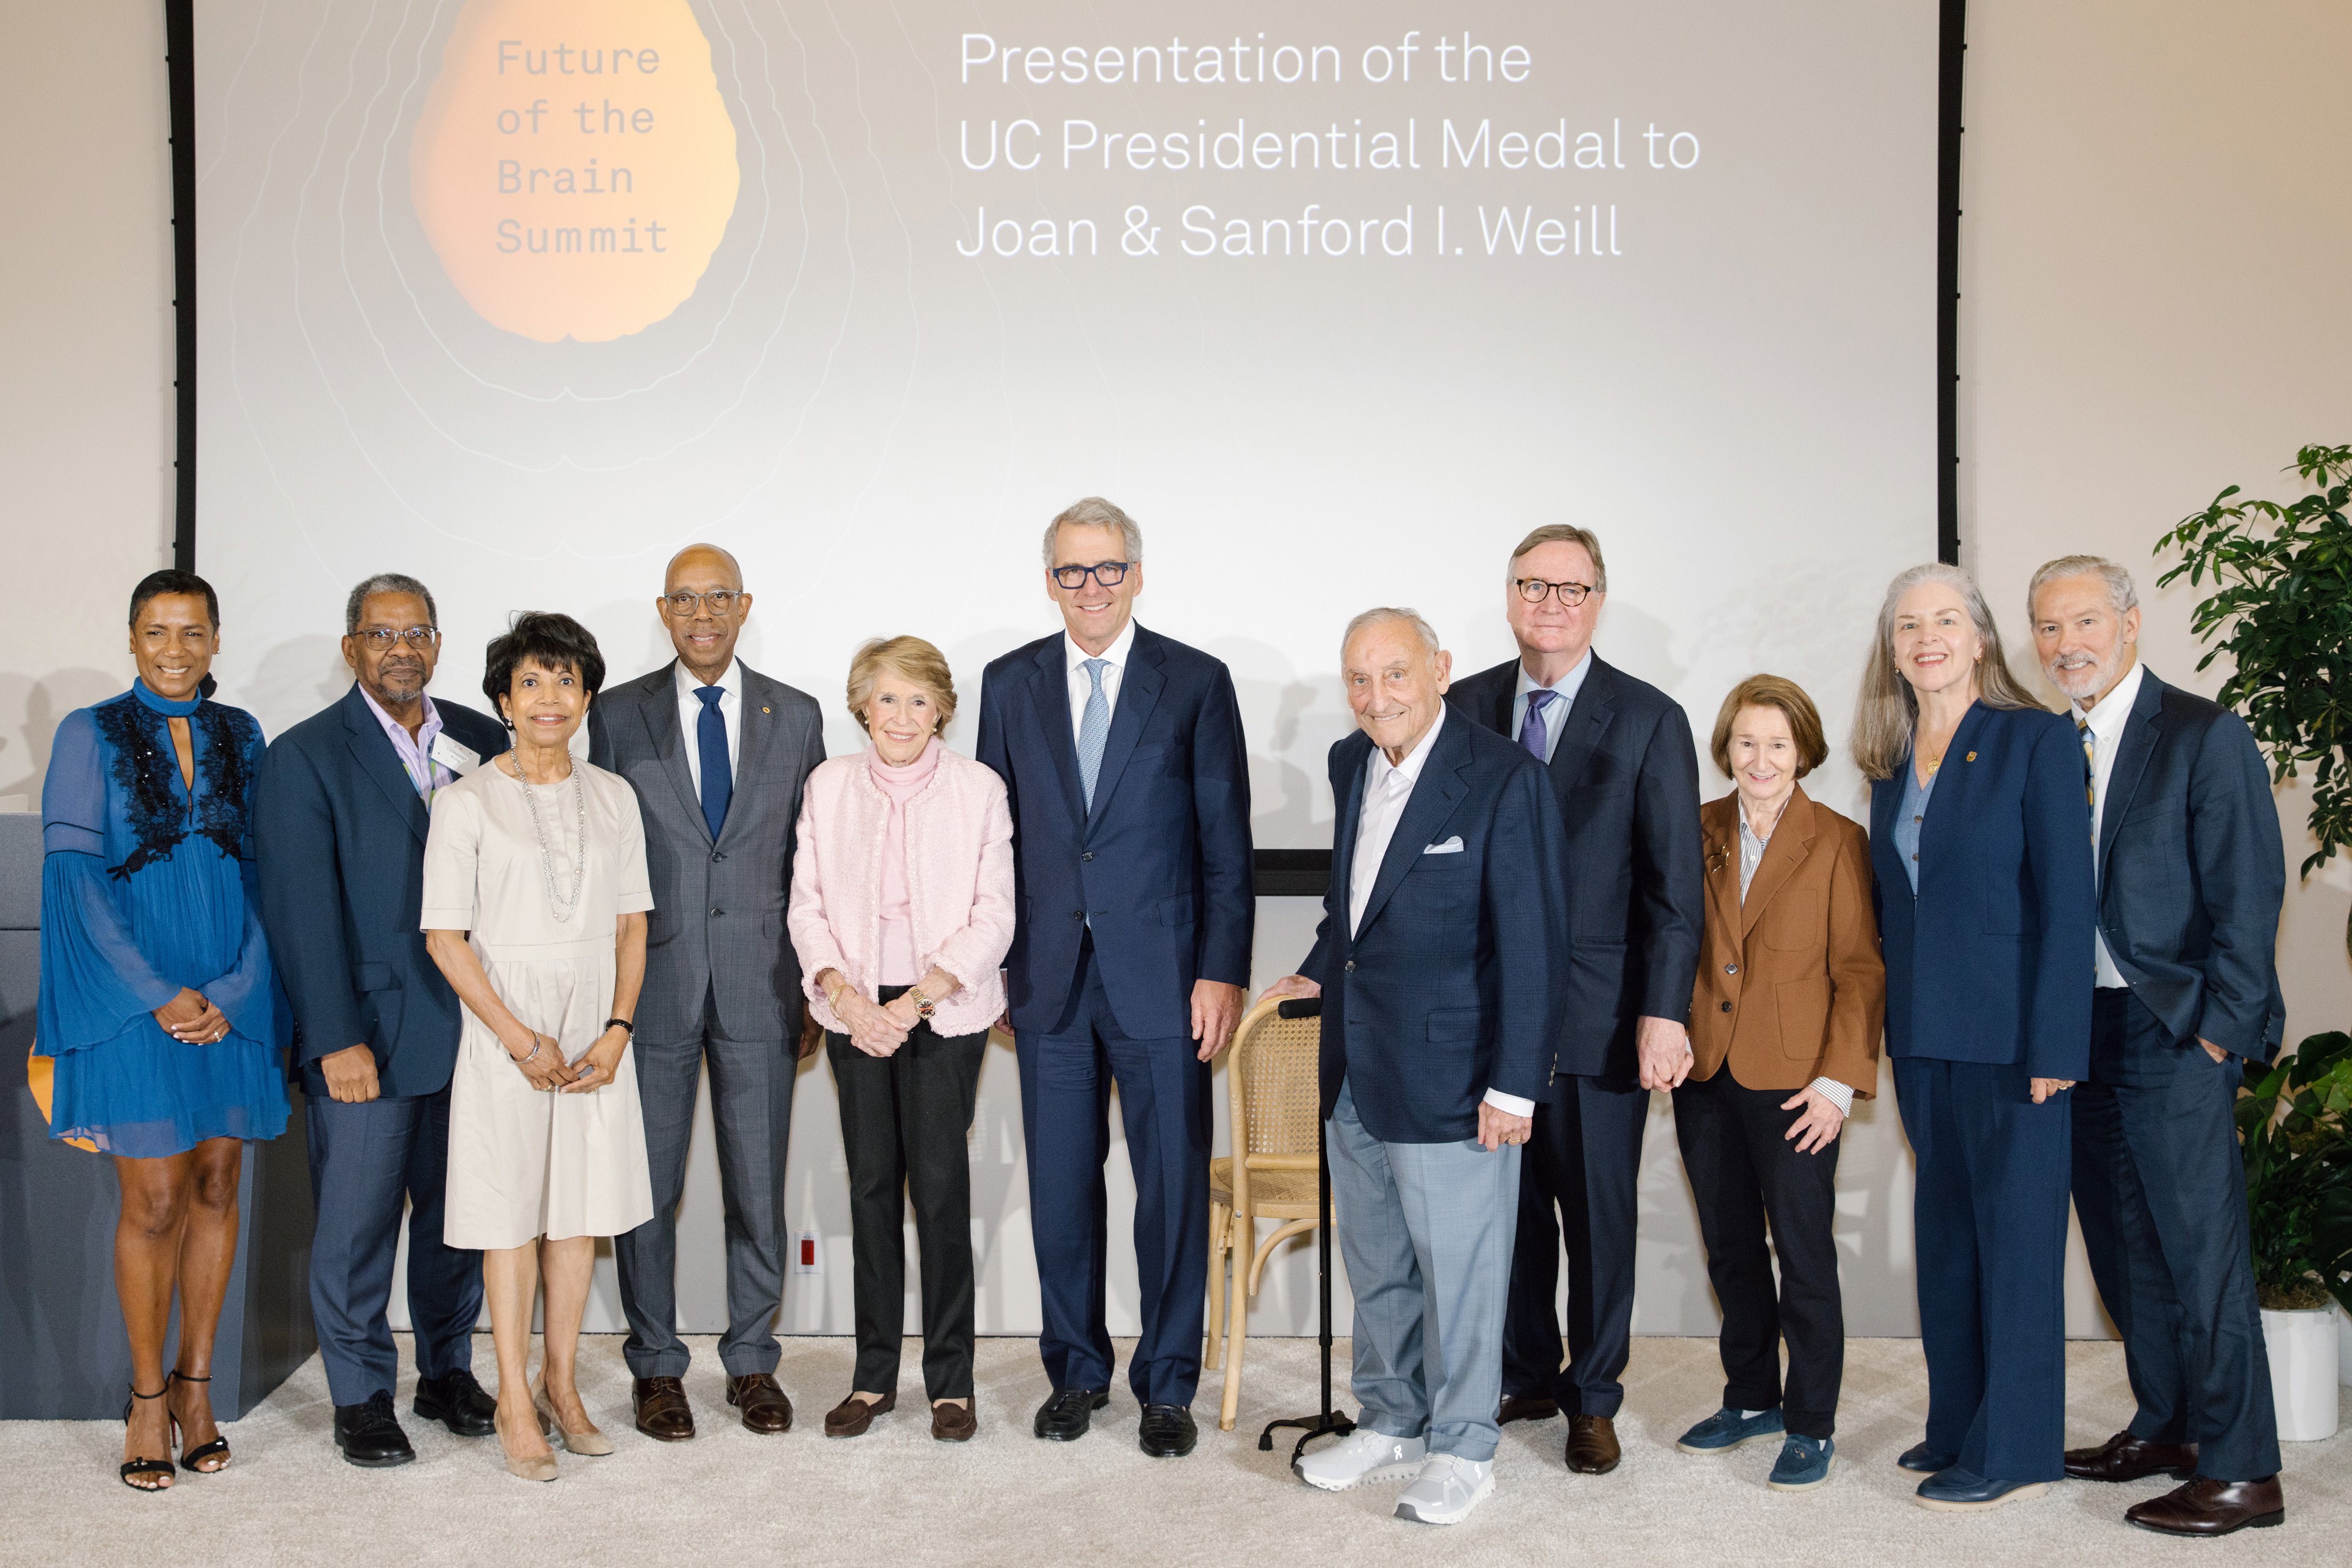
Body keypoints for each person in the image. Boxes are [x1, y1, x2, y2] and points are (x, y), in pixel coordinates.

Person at [1260, 608, 1569, 1526]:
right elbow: (1356, 914)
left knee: (1464, 1277)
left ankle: (1465, 1446)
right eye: (1359, 679)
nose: (1376, 696)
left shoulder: (1506, 780)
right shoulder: (1352, 763)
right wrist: (1313, 974)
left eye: (1395, 674)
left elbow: (1535, 944)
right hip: (1357, 1065)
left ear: (1439, 669)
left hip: (1458, 1078)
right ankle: (1394, 1417)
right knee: (1380, 1263)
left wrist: (1515, 1085)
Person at [974, 496, 1253, 1458]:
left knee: (1172, 1187)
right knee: (1060, 1187)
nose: (1088, 589)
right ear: (1047, 580)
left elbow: (1226, 844)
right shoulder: (1007, 683)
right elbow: (991, 844)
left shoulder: (1196, 682)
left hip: (1166, 979)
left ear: (1135, 573)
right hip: (1048, 981)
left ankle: (1168, 1381)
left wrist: (1222, 971)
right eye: (1068, 572)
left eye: (1104, 570)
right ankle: (1077, 1370)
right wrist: (998, 965)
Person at [2030, 556, 2287, 1536]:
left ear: (2131, 625)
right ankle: (2169, 1425)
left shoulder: (2202, 735)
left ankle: (2242, 1471)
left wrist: (2224, 1032)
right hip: (2081, 1030)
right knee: (2125, 1245)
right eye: (2049, 629)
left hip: (2175, 1028)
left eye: (2086, 622)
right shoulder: (2053, 746)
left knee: (2200, 1253)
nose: (2068, 646)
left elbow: (2250, 891)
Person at [1444, 523, 1704, 1476]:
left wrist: (1664, 1011)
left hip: (1601, 1018)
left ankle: (1594, 1398)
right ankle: (1529, 1371)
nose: (1550, 604)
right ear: (1509, 596)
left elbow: (1677, 891)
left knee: (1597, 1221)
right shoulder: (1461, 706)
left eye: (1571, 589)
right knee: (1505, 1215)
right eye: (1533, 586)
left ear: (1599, 601)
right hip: (1481, 1017)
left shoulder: (1649, 718)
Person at [38, 570, 290, 1490]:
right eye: (158, 632)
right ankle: (147, 1399)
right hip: (133, 1002)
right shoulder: (87, 732)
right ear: (133, 639)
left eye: (193, 633)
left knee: (220, 1185)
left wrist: (236, 985)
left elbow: (270, 872)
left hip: (234, 993)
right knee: (153, 1202)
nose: (176, 650)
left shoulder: (244, 734)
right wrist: (160, 993)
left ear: (216, 640)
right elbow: (74, 877)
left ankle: (196, 1390)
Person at [255, 573, 509, 1467]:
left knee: (459, 1220)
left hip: (477, 1033)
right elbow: (299, 909)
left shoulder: (486, 740)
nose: (401, 648)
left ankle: (445, 1371)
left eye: (418, 632)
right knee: (357, 1228)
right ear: (351, 647)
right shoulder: (304, 755)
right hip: (367, 1036)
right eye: (380, 633)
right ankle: (362, 1396)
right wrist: (333, 1038)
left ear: (438, 643)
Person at [1856, 561, 2094, 1512]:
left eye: (1946, 620)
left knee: (2018, 1243)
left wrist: (2056, 1050)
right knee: (1948, 1236)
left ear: (1982, 637)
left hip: (2013, 1042)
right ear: (1894, 647)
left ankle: (2018, 1446)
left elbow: (2070, 909)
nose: (1928, 638)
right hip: (1923, 1035)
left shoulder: (2033, 739)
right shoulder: (1893, 755)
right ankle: (1957, 1424)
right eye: (1909, 624)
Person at [589, 544, 826, 1442]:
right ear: (662, 609)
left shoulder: (796, 715)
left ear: (744, 605)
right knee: (645, 1187)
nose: (702, 614)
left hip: (765, 984)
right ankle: (655, 1367)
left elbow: (817, 861)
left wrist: (812, 984)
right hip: (649, 988)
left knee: (757, 1187)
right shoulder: (613, 714)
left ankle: (754, 1362)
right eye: (685, 599)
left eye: (718, 597)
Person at [422, 612, 656, 1482]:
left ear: (587, 696)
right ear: (502, 701)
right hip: (504, 1032)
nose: (549, 697)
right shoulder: (466, 801)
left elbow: (633, 924)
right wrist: (521, 1040)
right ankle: (514, 1398)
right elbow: (446, 939)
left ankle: (563, 1386)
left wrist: (619, 1029)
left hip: (597, 1032)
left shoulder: (615, 795)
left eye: (566, 681)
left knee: (576, 1215)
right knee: (510, 1218)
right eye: (531, 682)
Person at [787, 637, 1015, 1444]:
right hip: (855, 1010)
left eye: (919, 701)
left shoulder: (979, 790)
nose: (902, 717)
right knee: (872, 1191)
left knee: (942, 1192)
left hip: (942, 1009)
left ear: (943, 709)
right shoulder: (829, 785)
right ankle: (872, 1377)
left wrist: (913, 1001)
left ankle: (951, 1382)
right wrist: (849, 999)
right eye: (887, 700)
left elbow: (995, 916)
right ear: (861, 707)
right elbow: (806, 906)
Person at [1671, 676, 1883, 1492]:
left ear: (1804, 752)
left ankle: (1812, 1420)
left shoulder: (1837, 841)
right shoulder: (1695, 830)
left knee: (1802, 1256)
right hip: (1705, 1071)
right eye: (1746, 743)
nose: (1760, 759)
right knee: (1728, 1250)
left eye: (1778, 744)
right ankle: (1751, 1397)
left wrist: (1837, 1083)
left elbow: (1861, 973)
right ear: (1727, 749)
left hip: (1799, 1084)